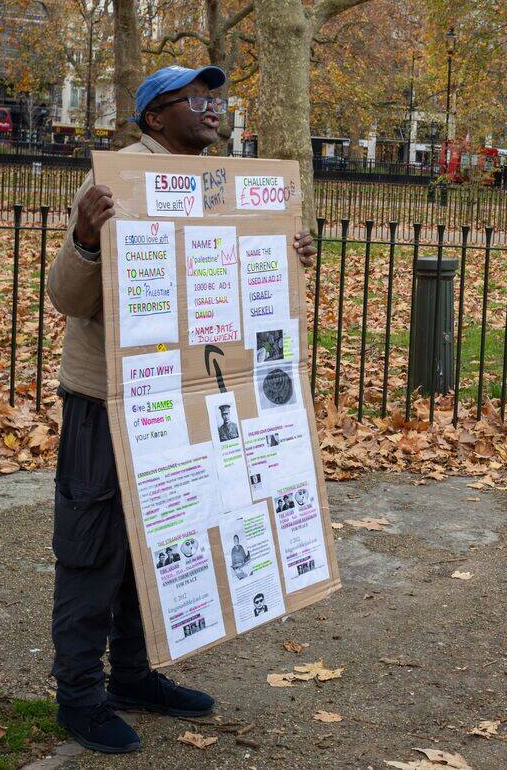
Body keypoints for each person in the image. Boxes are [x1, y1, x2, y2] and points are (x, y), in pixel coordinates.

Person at [47, 64, 318, 755]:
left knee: (157, 545)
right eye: (197, 99)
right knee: (92, 551)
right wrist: (84, 240)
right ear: (157, 116)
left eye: (217, 97)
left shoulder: (220, 185)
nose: (214, 107)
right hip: (108, 402)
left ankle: (135, 676)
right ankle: (79, 696)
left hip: (181, 401)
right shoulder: (117, 180)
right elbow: (67, 298)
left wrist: (284, 258)